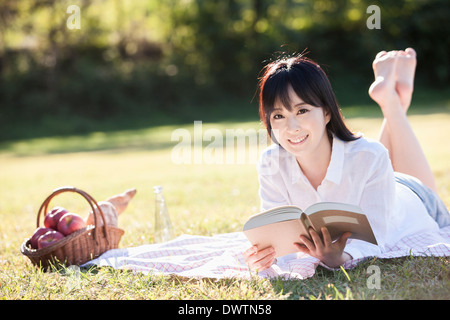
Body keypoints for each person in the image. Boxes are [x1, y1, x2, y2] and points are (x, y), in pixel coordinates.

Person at [243, 48, 449, 271]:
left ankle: (392, 102)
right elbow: (278, 240)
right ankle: (392, 97)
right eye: (278, 116)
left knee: (371, 155)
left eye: (302, 111)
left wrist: (342, 258)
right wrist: (267, 259)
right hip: (373, 174)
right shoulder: (271, 162)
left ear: (327, 112)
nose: (291, 128)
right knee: (369, 154)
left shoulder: (370, 156)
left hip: (414, 198)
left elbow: (378, 235)